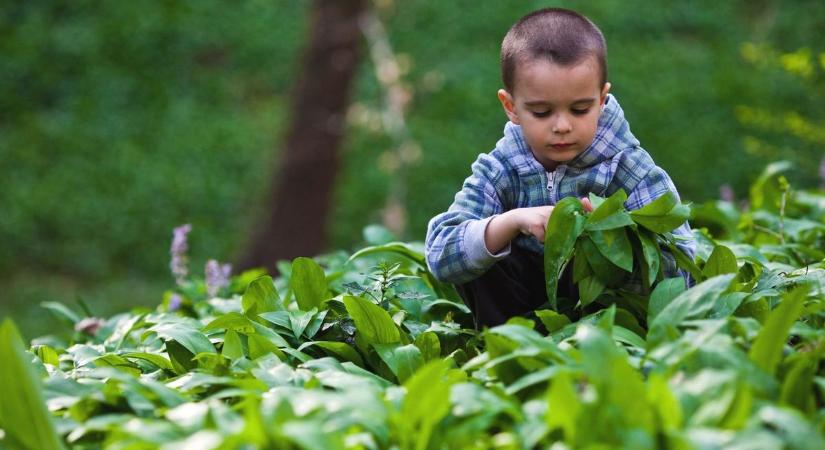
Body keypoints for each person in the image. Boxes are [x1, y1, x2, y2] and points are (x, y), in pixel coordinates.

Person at [424, 8, 696, 329]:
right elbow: (441, 254)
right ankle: (508, 348)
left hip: (604, 317)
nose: (563, 126)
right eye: (541, 112)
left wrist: (613, 238)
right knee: (486, 242)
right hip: (517, 315)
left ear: (602, 99)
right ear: (511, 107)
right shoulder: (501, 168)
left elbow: (682, 270)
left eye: (580, 109)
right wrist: (512, 222)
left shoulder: (628, 166)